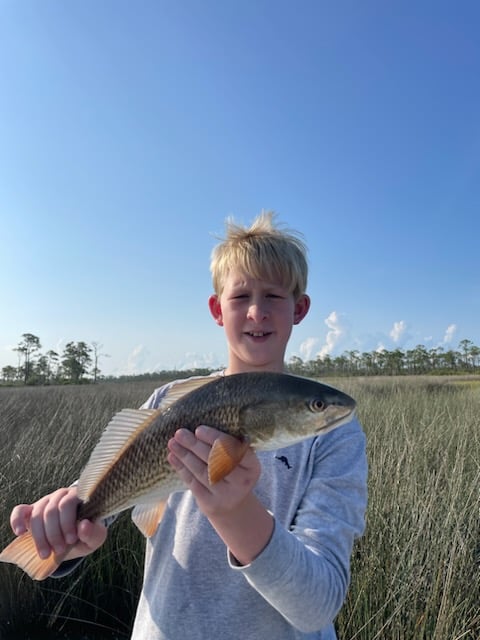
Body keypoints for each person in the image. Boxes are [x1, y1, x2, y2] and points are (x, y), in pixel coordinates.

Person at [9, 211, 368, 639]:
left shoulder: (336, 436)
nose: (257, 311)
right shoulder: (165, 402)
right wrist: (69, 530)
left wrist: (236, 512)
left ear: (300, 309)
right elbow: (102, 502)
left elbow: (318, 606)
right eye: (241, 297)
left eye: (274, 295)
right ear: (217, 309)